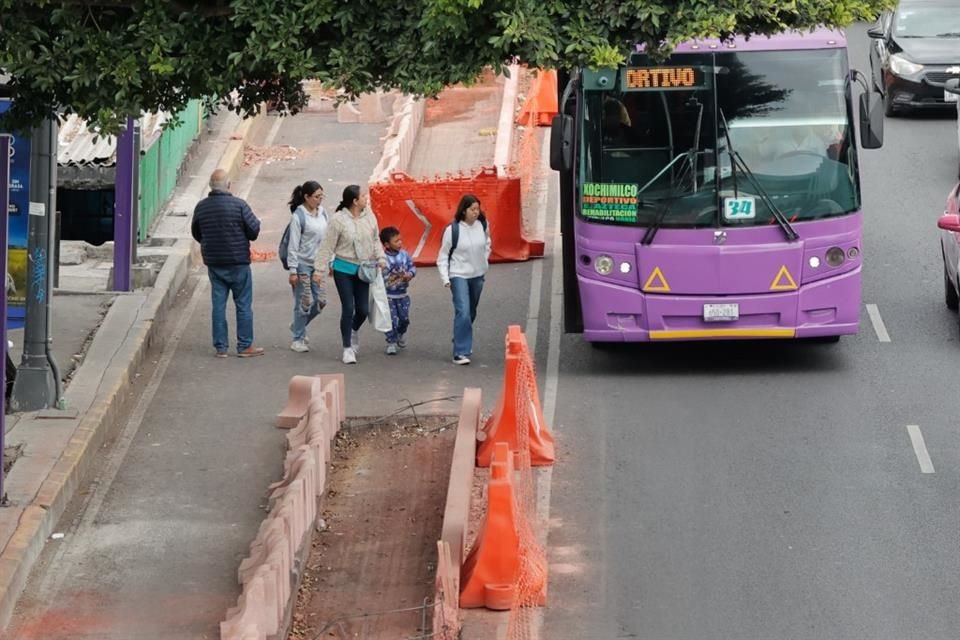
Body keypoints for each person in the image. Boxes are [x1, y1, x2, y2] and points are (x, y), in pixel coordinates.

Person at [191, 168, 264, 358]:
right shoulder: (239, 205)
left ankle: (221, 347)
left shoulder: (201, 207)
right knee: (243, 304)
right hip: (238, 262)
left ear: (210, 186)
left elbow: (196, 233)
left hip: (215, 262)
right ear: (229, 185)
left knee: (218, 305)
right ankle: (245, 345)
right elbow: (254, 231)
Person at [313, 184, 386, 364]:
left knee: (362, 310)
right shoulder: (338, 220)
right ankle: (347, 347)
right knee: (348, 307)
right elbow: (327, 246)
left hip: (364, 269)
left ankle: (353, 329)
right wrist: (319, 270)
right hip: (343, 269)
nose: (366, 199)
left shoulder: (369, 215)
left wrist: (381, 258)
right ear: (354, 201)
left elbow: (375, 239)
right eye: (363, 196)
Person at [437, 194, 491, 365]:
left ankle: (460, 336)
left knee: (471, 311)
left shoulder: (483, 225)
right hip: (458, 274)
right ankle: (460, 351)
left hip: (478, 275)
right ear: (463, 211)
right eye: (472, 209)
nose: (476, 212)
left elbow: (487, 243)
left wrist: (484, 261)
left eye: (477, 209)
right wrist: (446, 278)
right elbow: (443, 256)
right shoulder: (452, 230)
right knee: (463, 311)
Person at [286, 180, 329, 353]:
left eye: (321, 196)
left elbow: (327, 239)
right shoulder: (298, 217)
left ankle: (298, 325)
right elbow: (293, 245)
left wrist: (330, 260)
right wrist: (293, 271)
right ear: (306, 197)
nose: (319, 200)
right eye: (317, 197)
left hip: (318, 265)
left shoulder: (323, 213)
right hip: (302, 264)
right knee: (303, 303)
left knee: (321, 301)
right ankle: (298, 339)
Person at [379, 226, 416, 355]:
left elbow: (412, 267)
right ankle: (391, 341)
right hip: (388, 296)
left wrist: (410, 274)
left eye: (400, 240)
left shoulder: (404, 255)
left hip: (403, 294)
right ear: (386, 244)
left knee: (404, 318)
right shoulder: (382, 258)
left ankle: (400, 333)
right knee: (390, 320)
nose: (400, 243)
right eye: (396, 241)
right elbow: (378, 275)